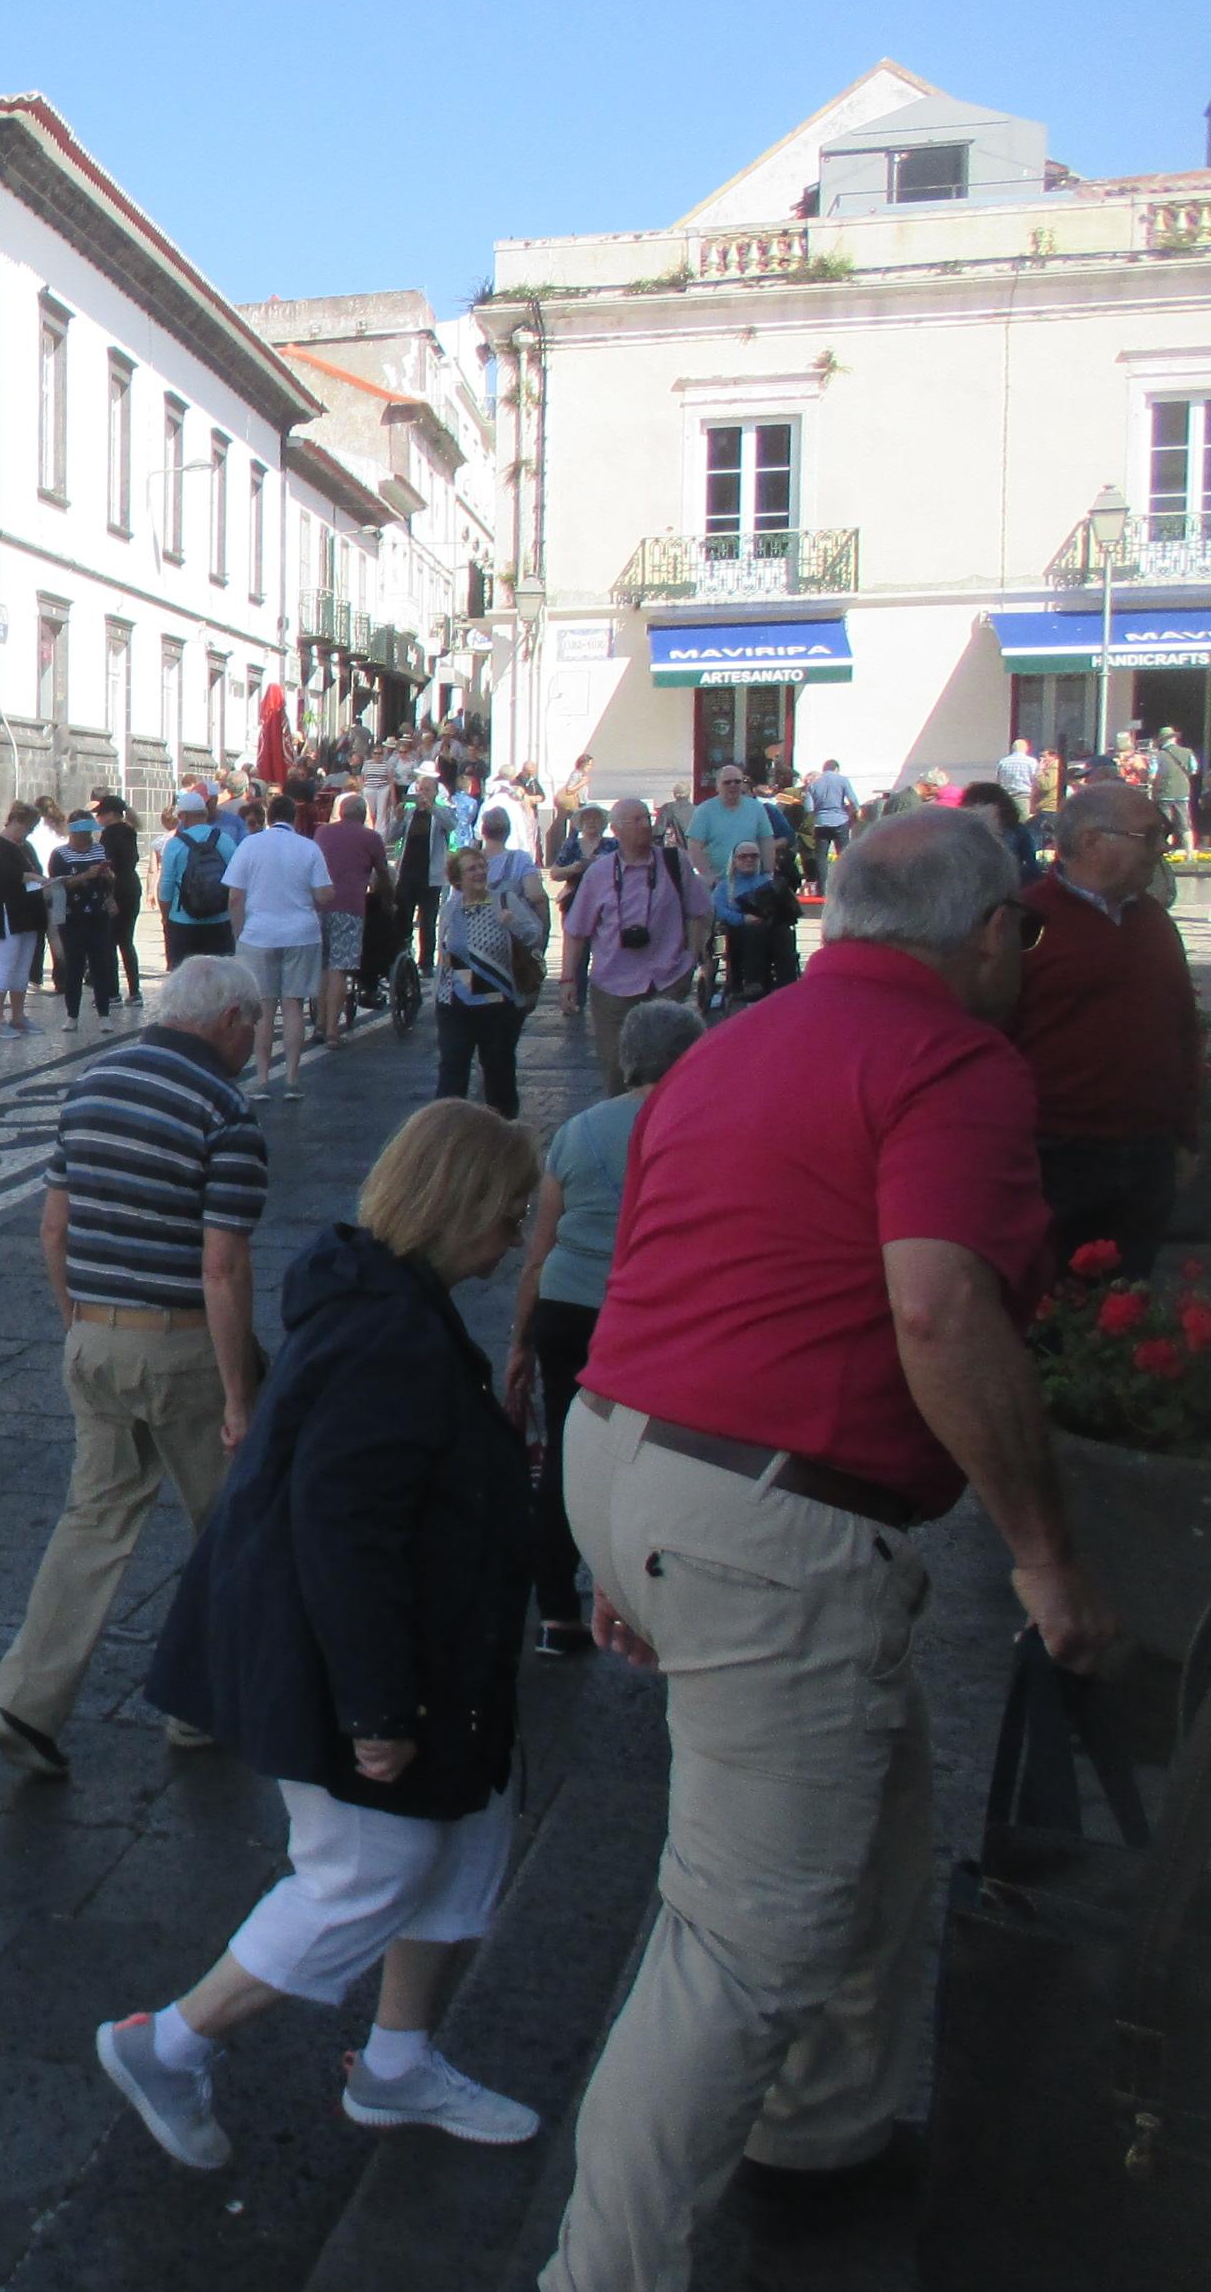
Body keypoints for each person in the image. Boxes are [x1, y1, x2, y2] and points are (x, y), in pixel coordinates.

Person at [543, 805, 1118, 2290]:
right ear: (987, 934)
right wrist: (1044, 1557)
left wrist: (624, 1541)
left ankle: (824, 2134)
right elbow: (938, 1308)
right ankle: (600, 2274)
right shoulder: (951, 1060)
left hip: (634, 1447)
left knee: (875, 1812)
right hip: (764, 1506)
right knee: (737, 1938)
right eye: (1026, 934)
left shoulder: (733, 1041)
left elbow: (648, 1265)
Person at [100, 1099, 546, 2173]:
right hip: (349, 1661)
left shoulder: (396, 1305)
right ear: (463, 1209)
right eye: (512, 1214)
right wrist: (376, 1711)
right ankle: (170, 2042)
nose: (520, 1237)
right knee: (367, 1868)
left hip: (429, 1651)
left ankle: (397, 2064)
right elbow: (345, 1534)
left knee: (468, 1827)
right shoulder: (387, 1333)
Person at [0, 955, 269, 1782]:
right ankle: (198, 1702)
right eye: (253, 1024)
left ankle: (24, 1701)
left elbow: (52, 1229)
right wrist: (240, 1395)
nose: (255, 1038)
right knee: (229, 1520)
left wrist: (79, 1322)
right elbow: (224, 1270)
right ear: (230, 1022)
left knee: (94, 1518)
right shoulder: (225, 1110)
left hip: (92, 1337)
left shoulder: (94, 1083)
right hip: (179, 1347)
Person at [503, 998, 704, 1661]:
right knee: (668, 1461)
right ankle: (666, 1610)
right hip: (655, 1315)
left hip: (568, 1310)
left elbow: (541, 1247)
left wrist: (520, 1341)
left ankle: (557, 1613)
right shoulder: (705, 1126)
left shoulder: (580, 1130)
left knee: (564, 1456)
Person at [1007, 780, 1197, 1277]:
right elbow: (994, 1033)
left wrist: (1186, 1130)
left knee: (1130, 1300)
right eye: (1149, 835)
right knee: (1057, 1305)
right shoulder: (1026, 922)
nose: (1160, 849)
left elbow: (1180, 1025)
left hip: (1148, 1150)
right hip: (1058, 1154)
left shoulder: (1152, 920)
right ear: (1092, 841)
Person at [558, 797, 707, 1095]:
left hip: (666, 980)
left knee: (667, 1071)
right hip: (613, 985)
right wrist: (568, 979)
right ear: (616, 830)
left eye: (646, 819)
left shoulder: (674, 863)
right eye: (635, 820)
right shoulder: (599, 874)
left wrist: (690, 958)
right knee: (617, 1072)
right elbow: (575, 931)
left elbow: (699, 912)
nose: (644, 826)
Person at [223, 797, 332, 1099]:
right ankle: (293, 1078)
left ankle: (261, 1079)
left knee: (264, 1009)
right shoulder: (309, 847)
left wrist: (239, 931)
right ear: (295, 818)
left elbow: (234, 896)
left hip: (258, 935)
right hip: (301, 933)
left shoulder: (250, 845)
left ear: (269, 817)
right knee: (293, 1004)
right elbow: (323, 895)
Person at [431, 847, 538, 1118]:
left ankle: (503, 1129)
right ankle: (445, 1126)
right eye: (471, 869)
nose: (479, 872)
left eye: (481, 866)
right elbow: (443, 951)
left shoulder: (504, 900)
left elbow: (534, 936)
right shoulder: (451, 908)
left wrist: (513, 924)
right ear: (458, 879)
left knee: (498, 1069)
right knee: (452, 1068)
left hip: (497, 1000)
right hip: (455, 1001)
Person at [312, 792, 391, 1050]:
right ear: (364, 814)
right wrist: (389, 902)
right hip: (349, 905)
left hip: (320, 904)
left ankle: (320, 1024)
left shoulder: (322, 833)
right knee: (338, 968)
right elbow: (383, 874)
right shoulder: (371, 838)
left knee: (323, 965)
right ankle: (333, 1032)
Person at [0, 802, 49, 1037]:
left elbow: (35, 868)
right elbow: (1, 877)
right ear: (16, 822)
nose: (28, 832)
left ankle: (18, 1016)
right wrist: (28, 876)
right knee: (5, 964)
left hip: (28, 911)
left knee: (22, 966)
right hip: (6, 910)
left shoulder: (25, 846)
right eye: (28, 827)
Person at [47, 813, 123, 1024]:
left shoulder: (99, 850)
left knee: (101, 964)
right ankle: (72, 1015)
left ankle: (104, 1013)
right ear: (73, 832)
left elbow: (110, 881)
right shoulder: (60, 854)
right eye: (83, 833)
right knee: (74, 966)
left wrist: (109, 880)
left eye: (89, 832)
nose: (87, 837)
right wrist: (84, 876)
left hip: (98, 914)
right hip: (72, 916)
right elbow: (57, 884)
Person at [708, 839, 799, 1008]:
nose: (749, 860)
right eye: (743, 857)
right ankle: (753, 982)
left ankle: (788, 983)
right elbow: (719, 910)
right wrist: (743, 919)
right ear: (734, 860)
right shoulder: (725, 886)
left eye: (754, 856)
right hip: (739, 933)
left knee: (783, 931)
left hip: (771, 931)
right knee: (755, 928)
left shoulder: (767, 881)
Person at [158, 792, 237, 967]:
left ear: (184, 816)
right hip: (219, 921)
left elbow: (166, 886)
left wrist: (166, 917)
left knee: (184, 981)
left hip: (183, 922)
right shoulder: (225, 840)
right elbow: (236, 881)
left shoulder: (175, 844)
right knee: (221, 980)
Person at [682, 767, 780, 896]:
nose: (733, 785)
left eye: (737, 781)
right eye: (727, 782)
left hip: (751, 884)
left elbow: (766, 841)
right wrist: (709, 877)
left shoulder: (756, 808)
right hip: (718, 884)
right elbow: (694, 846)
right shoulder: (704, 810)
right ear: (717, 786)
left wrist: (768, 874)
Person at [93, 797, 146, 1006]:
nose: (98, 817)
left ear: (112, 814)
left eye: (101, 813)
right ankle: (135, 992)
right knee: (126, 941)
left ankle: (112, 993)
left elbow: (107, 864)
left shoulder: (109, 835)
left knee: (109, 942)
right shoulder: (130, 832)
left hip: (115, 887)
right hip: (132, 885)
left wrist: (107, 894)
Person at [392, 772, 446, 970]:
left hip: (430, 875)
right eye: (420, 789)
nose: (422, 794)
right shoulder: (409, 813)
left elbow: (452, 825)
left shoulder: (441, 812)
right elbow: (392, 836)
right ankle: (403, 958)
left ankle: (426, 962)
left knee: (428, 921)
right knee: (402, 918)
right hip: (407, 873)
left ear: (435, 792)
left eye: (427, 790)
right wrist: (397, 819)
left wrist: (432, 808)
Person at [801, 758, 858, 891]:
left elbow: (808, 808)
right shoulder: (843, 780)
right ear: (836, 769)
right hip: (840, 821)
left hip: (821, 823)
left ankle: (822, 890)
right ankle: (845, 888)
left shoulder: (813, 784)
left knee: (821, 857)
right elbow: (854, 801)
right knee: (844, 855)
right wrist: (850, 815)